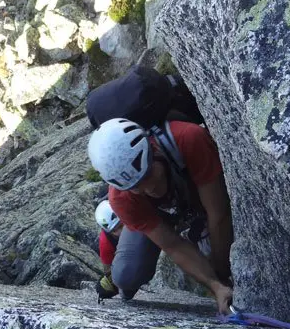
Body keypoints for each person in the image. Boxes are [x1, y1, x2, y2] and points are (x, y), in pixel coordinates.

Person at [87, 117, 234, 314]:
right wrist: (216, 285)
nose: (149, 189)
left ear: (153, 149)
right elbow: (172, 245)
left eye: (148, 175)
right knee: (126, 275)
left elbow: (218, 213)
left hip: (191, 186)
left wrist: (222, 271)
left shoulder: (187, 139)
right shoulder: (121, 198)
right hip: (158, 212)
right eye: (136, 187)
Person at [94, 199, 123, 302]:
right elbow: (108, 270)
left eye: (122, 225)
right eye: (115, 230)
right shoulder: (106, 242)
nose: (120, 232)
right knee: (105, 287)